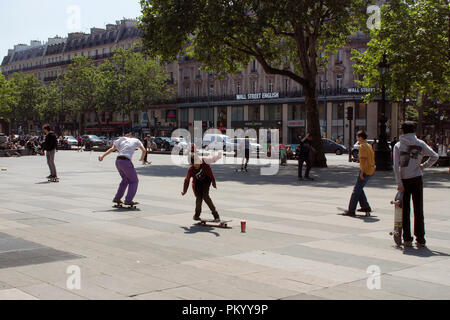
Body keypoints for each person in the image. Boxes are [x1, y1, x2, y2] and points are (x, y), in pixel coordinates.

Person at [393, 121, 439, 247]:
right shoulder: (420, 143)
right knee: (418, 209)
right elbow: (435, 156)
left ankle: (407, 238)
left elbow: (396, 166)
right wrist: (423, 166)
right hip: (417, 178)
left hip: (405, 180)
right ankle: (420, 238)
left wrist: (399, 183)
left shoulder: (398, 145)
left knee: (405, 210)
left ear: (402, 130)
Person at [98, 132, 146, 207]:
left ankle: (117, 198)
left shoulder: (121, 139)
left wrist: (102, 156)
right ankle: (128, 200)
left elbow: (112, 148)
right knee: (134, 181)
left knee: (125, 180)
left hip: (118, 161)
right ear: (131, 136)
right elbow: (144, 150)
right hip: (126, 161)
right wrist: (142, 158)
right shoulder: (136, 140)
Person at [182, 147, 222, 222]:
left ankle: (216, 215)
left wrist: (218, 156)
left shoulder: (204, 161)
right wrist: (184, 191)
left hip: (207, 181)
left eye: (196, 164)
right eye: (193, 165)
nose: (195, 166)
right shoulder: (191, 169)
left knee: (206, 196)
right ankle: (197, 215)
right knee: (199, 198)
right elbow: (187, 180)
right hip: (198, 183)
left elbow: (212, 159)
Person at [343, 130, 376, 216]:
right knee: (359, 188)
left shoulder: (362, 146)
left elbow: (363, 160)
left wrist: (361, 172)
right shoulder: (369, 145)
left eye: (358, 137)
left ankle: (351, 210)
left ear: (360, 137)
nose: (357, 139)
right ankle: (365, 207)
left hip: (365, 170)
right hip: (370, 169)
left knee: (356, 190)